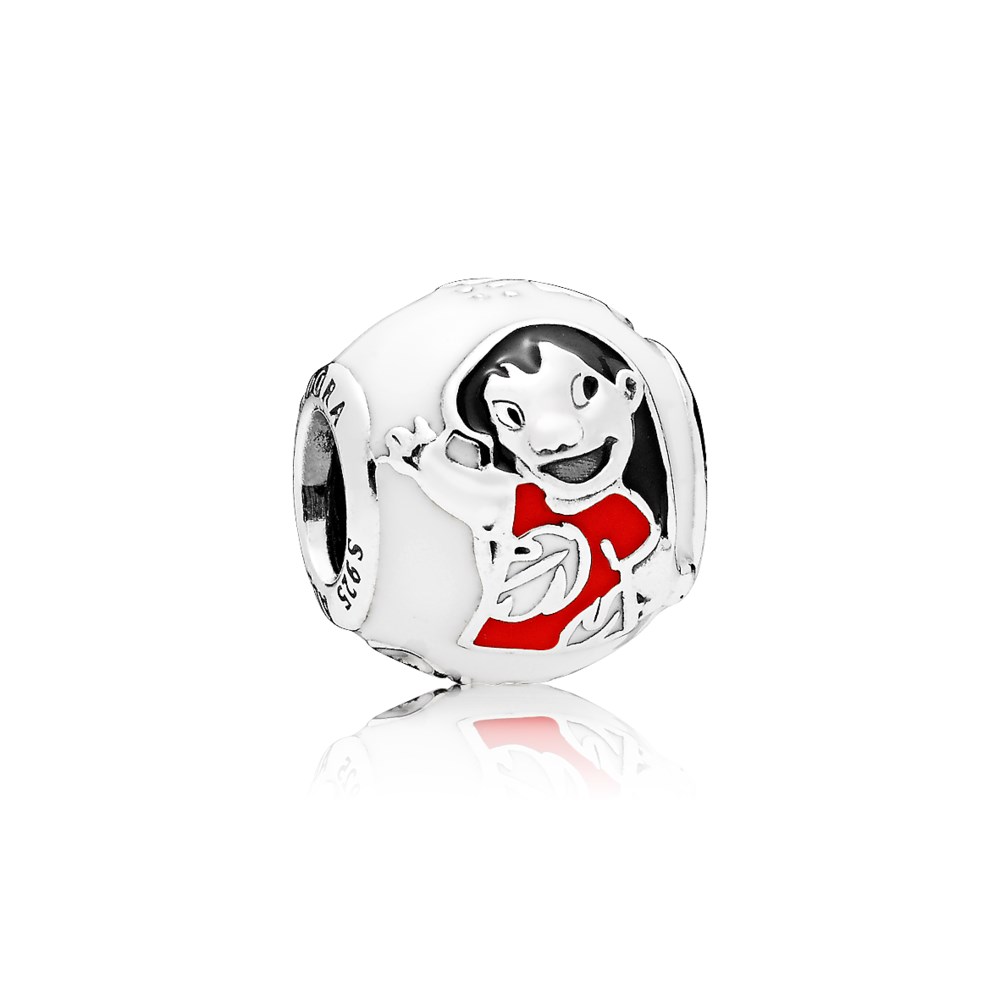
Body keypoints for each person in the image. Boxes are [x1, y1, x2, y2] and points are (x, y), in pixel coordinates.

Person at [383, 324, 671, 651]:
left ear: (629, 389)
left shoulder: (626, 514)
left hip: (582, 636)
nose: (555, 438)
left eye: (585, 391)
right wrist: (423, 461)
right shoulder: (523, 501)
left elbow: (645, 573)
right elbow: (467, 495)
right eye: (511, 416)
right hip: (503, 644)